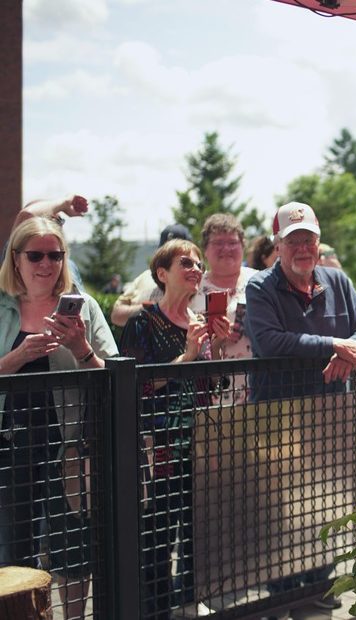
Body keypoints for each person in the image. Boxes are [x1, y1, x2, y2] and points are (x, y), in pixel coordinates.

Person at [245, 202, 356, 616]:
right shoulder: (260, 288)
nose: (303, 248)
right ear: (278, 245)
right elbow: (270, 341)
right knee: (278, 510)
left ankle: (321, 587)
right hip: (277, 418)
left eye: (309, 239)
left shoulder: (338, 280)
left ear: (318, 242)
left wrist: (353, 351)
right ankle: (284, 595)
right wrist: (333, 345)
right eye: (293, 241)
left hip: (330, 417)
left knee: (325, 501)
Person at [0, 217, 117, 620]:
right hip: (9, 446)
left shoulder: (84, 306)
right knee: (13, 547)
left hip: (67, 443)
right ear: (16, 260)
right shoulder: (1, 308)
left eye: (55, 254)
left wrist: (81, 346)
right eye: (35, 255)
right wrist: (20, 356)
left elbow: (112, 373)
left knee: (71, 547)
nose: (45, 264)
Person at [119, 239, 230, 620]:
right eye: (186, 262)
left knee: (197, 531)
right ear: (162, 274)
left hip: (198, 443)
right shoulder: (143, 321)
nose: (196, 268)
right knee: (159, 533)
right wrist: (187, 356)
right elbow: (137, 384)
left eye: (199, 263)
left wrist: (216, 344)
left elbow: (213, 385)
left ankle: (188, 602)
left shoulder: (198, 324)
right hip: (159, 446)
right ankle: (156, 610)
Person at [189, 214, 257, 404]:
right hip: (206, 391)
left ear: (243, 245)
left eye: (233, 242)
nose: (226, 248)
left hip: (256, 389)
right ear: (205, 249)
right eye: (218, 243)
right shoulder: (191, 285)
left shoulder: (260, 281)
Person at [111, 224, 192, 327]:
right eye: (165, 253)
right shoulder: (145, 276)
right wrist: (148, 309)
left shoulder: (198, 280)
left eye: (177, 255)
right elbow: (116, 315)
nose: (168, 259)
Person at [3, 195, 88, 290]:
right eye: (35, 256)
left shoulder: (69, 266)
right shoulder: (14, 250)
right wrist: (64, 204)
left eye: (55, 256)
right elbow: (27, 215)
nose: (46, 263)